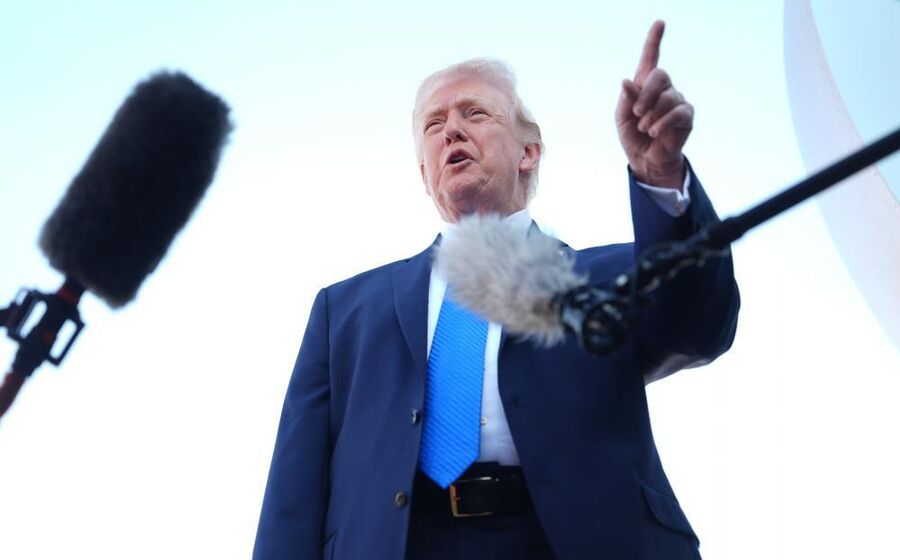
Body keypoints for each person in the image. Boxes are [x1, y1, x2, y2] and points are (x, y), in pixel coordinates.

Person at [253, 21, 739, 560]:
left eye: (474, 113)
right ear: (424, 171)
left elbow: (700, 327)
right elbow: (293, 491)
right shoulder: (343, 311)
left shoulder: (608, 277)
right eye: (434, 125)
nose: (451, 131)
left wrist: (660, 174)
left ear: (529, 151)